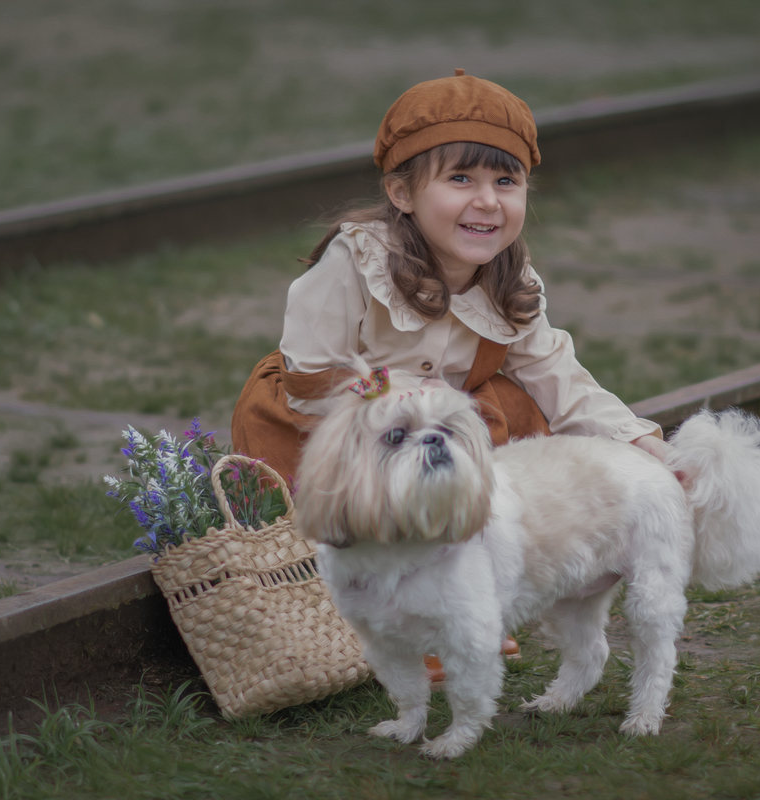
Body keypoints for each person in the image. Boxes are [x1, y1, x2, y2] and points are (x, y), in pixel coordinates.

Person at [231, 68, 676, 684]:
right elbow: (314, 378)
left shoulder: (509, 278)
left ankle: (452, 603)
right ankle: (345, 614)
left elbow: (556, 371)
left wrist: (637, 439)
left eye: (506, 182)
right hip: (329, 426)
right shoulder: (355, 261)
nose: (487, 201)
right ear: (402, 193)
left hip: (431, 436)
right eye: (460, 179)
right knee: (359, 500)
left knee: (516, 407)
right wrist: (397, 405)